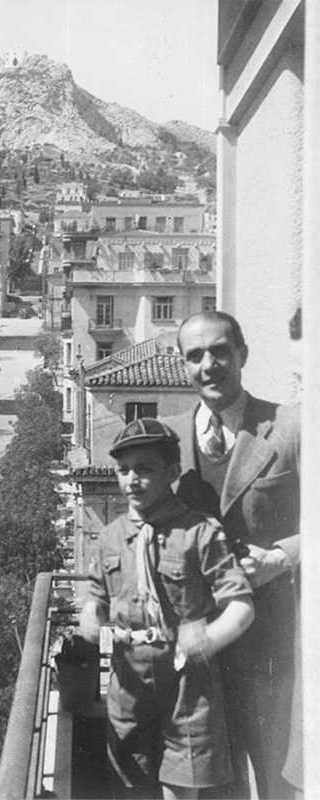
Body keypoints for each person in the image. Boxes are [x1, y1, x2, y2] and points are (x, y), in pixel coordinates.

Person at [80, 417, 254, 800]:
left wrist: (208, 638)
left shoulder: (200, 533)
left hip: (189, 685)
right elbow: (95, 597)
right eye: (123, 470)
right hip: (129, 684)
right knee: (131, 785)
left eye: (144, 469)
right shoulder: (111, 537)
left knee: (182, 789)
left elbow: (241, 605)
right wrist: (90, 617)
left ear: (173, 472)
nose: (131, 481)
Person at [166, 311, 301, 800]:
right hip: (199, 657)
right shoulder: (168, 442)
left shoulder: (291, 428)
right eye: (194, 355)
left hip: (272, 647)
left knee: (276, 782)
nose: (209, 365)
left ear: (242, 354)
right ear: (183, 366)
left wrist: (284, 556)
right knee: (212, 789)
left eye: (220, 351)